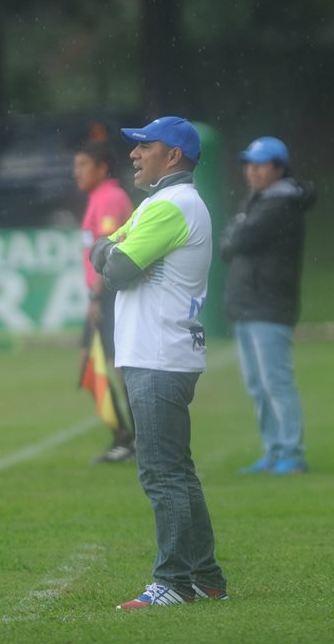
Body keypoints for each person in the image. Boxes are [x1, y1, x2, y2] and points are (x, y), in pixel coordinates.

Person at [89, 115, 228, 609]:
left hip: (157, 355)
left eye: (144, 145)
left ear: (172, 156)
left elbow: (117, 267)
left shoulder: (169, 205)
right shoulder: (165, 203)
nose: (133, 153)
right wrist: (110, 251)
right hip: (165, 353)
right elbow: (99, 251)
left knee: (162, 474)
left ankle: (171, 581)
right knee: (179, 471)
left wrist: (111, 252)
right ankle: (207, 577)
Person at [219, 136, 316, 476]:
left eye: (259, 164)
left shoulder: (281, 205)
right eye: (249, 164)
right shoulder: (260, 202)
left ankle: (291, 453)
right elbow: (227, 244)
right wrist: (235, 233)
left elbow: (238, 240)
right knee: (259, 386)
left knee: (276, 383)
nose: (252, 171)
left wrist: (236, 232)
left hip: (268, 306)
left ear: (278, 167)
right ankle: (274, 451)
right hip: (249, 305)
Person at [74, 140, 136, 463]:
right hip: (103, 293)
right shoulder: (98, 198)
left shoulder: (110, 198)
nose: (77, 172)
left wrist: (97, 296)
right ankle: (126, 437)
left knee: (116, 367)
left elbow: (110, 249)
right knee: (97, 364)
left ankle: (130, 439)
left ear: (101, 169)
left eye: (83, 165)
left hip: (109, 293)